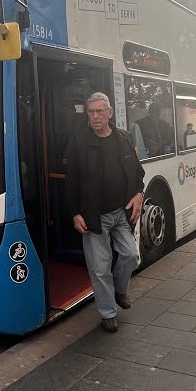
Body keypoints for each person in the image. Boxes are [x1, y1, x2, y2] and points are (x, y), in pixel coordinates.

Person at [64, 93, 145, 333]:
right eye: (91, 112)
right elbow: (70, 182)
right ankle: (108, 313)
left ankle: (120, 290)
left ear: (110, 113)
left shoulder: (124, 138)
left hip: (122, 211)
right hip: (93, 216)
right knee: (100, 267)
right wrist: (74, 213)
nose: (96, 116)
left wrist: (139, 194)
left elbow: (138, 172)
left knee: (131, 255)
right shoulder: (79, 140)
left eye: (100, 111)